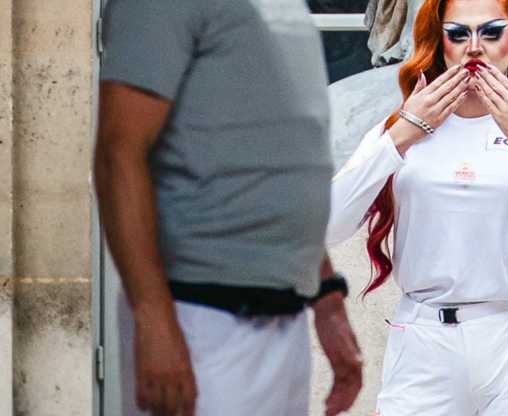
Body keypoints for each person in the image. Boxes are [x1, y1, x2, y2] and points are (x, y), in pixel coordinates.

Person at [326, 0, 508, 414]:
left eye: (491, 32)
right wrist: (401, 137)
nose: (475, 47)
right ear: (439, 44)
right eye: (459, 34)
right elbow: (326, 227)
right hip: (424, 337)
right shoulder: (400, 129)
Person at [93, 0, 362, 415]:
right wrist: (155, 320)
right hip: (200, 321)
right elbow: (118, 153)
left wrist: (327, 298)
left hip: (283, 321)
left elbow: (281, 163)